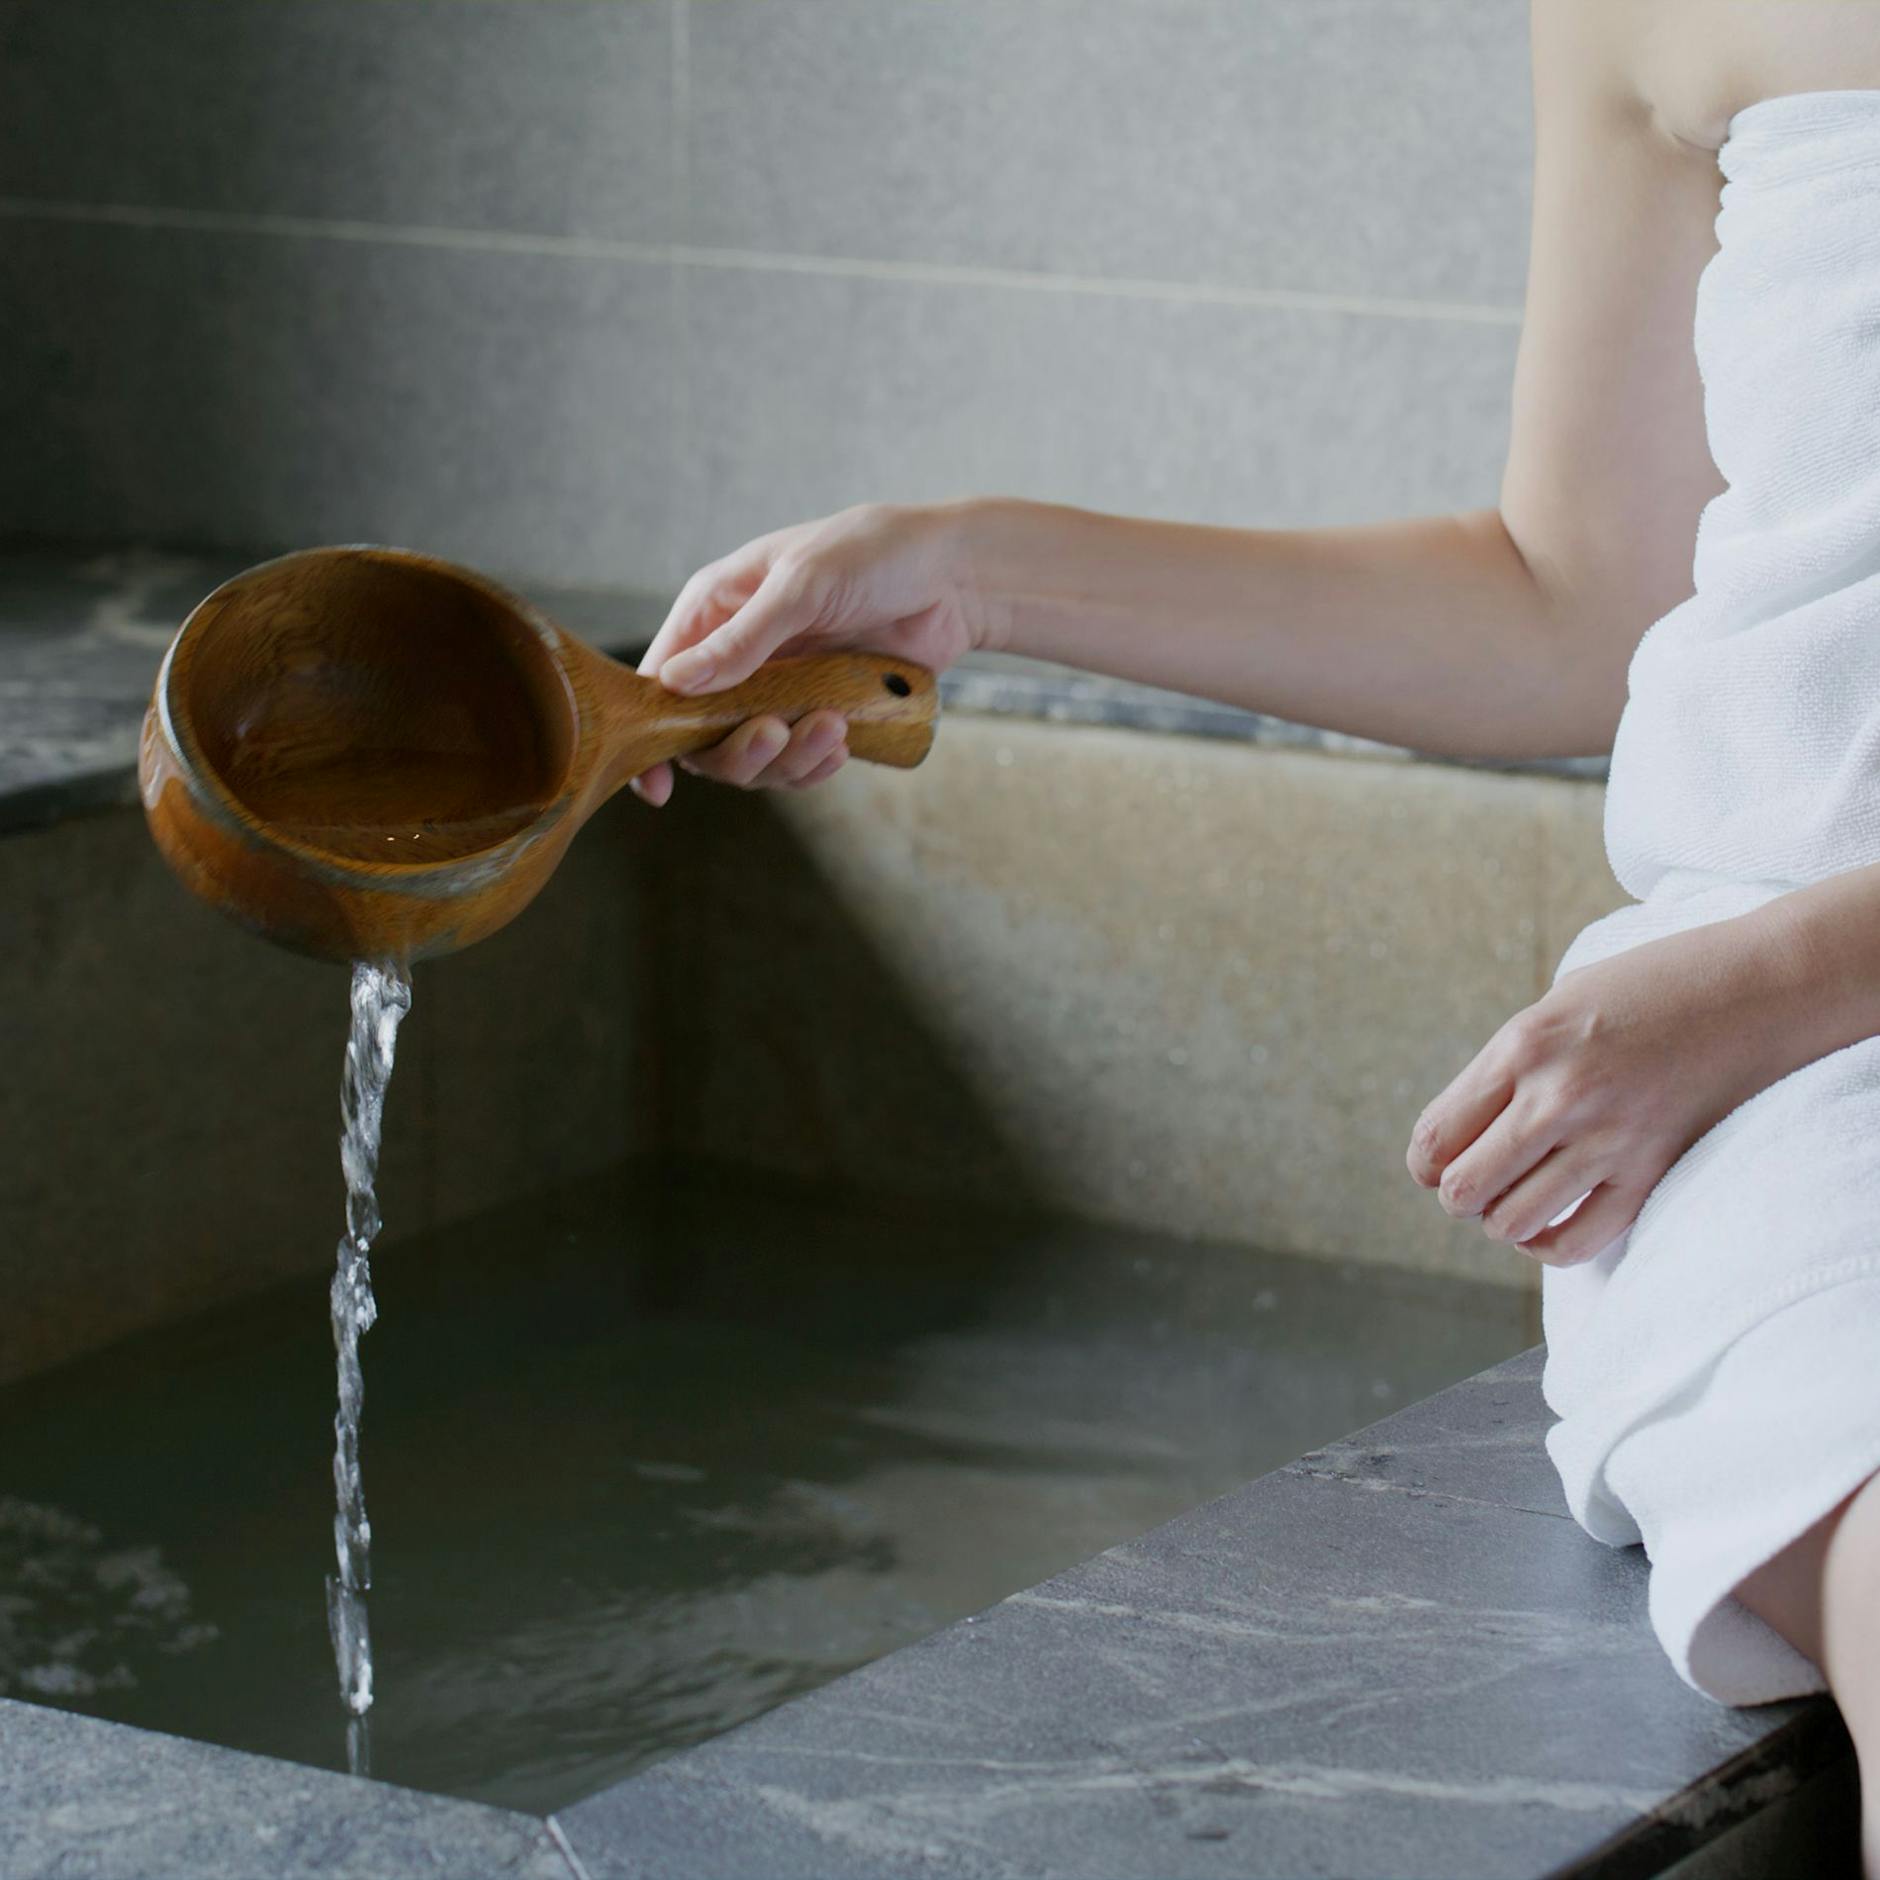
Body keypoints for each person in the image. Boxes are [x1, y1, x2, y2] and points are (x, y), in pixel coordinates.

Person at [629, 1, 1880, 1864]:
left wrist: (1772, 978)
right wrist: (968, 566)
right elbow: (1572, 597)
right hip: (1806, 1105)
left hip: (1762, 1006)